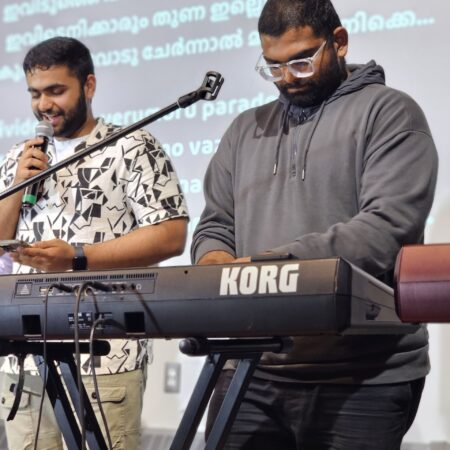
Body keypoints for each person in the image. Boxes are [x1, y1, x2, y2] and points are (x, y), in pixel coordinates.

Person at [191, 0, 438, 448]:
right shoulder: (244, 130)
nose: (288, 77)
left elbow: (386, 229)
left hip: (363, 375)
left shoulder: (391, 114)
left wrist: (266, 268)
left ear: (338, 42)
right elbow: (216, 224)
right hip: (250, 368)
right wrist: (214, 262)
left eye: (302, 61)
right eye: (274, 67)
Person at [0, 37, 188, 449]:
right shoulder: (20, 157)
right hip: (23, 359)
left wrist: (78, 258)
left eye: (56, 91)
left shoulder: (131, 146)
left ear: (89, 85)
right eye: (35, 93)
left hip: (105, 355)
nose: (44, 105)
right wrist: (17, 184)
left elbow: (171, 233)